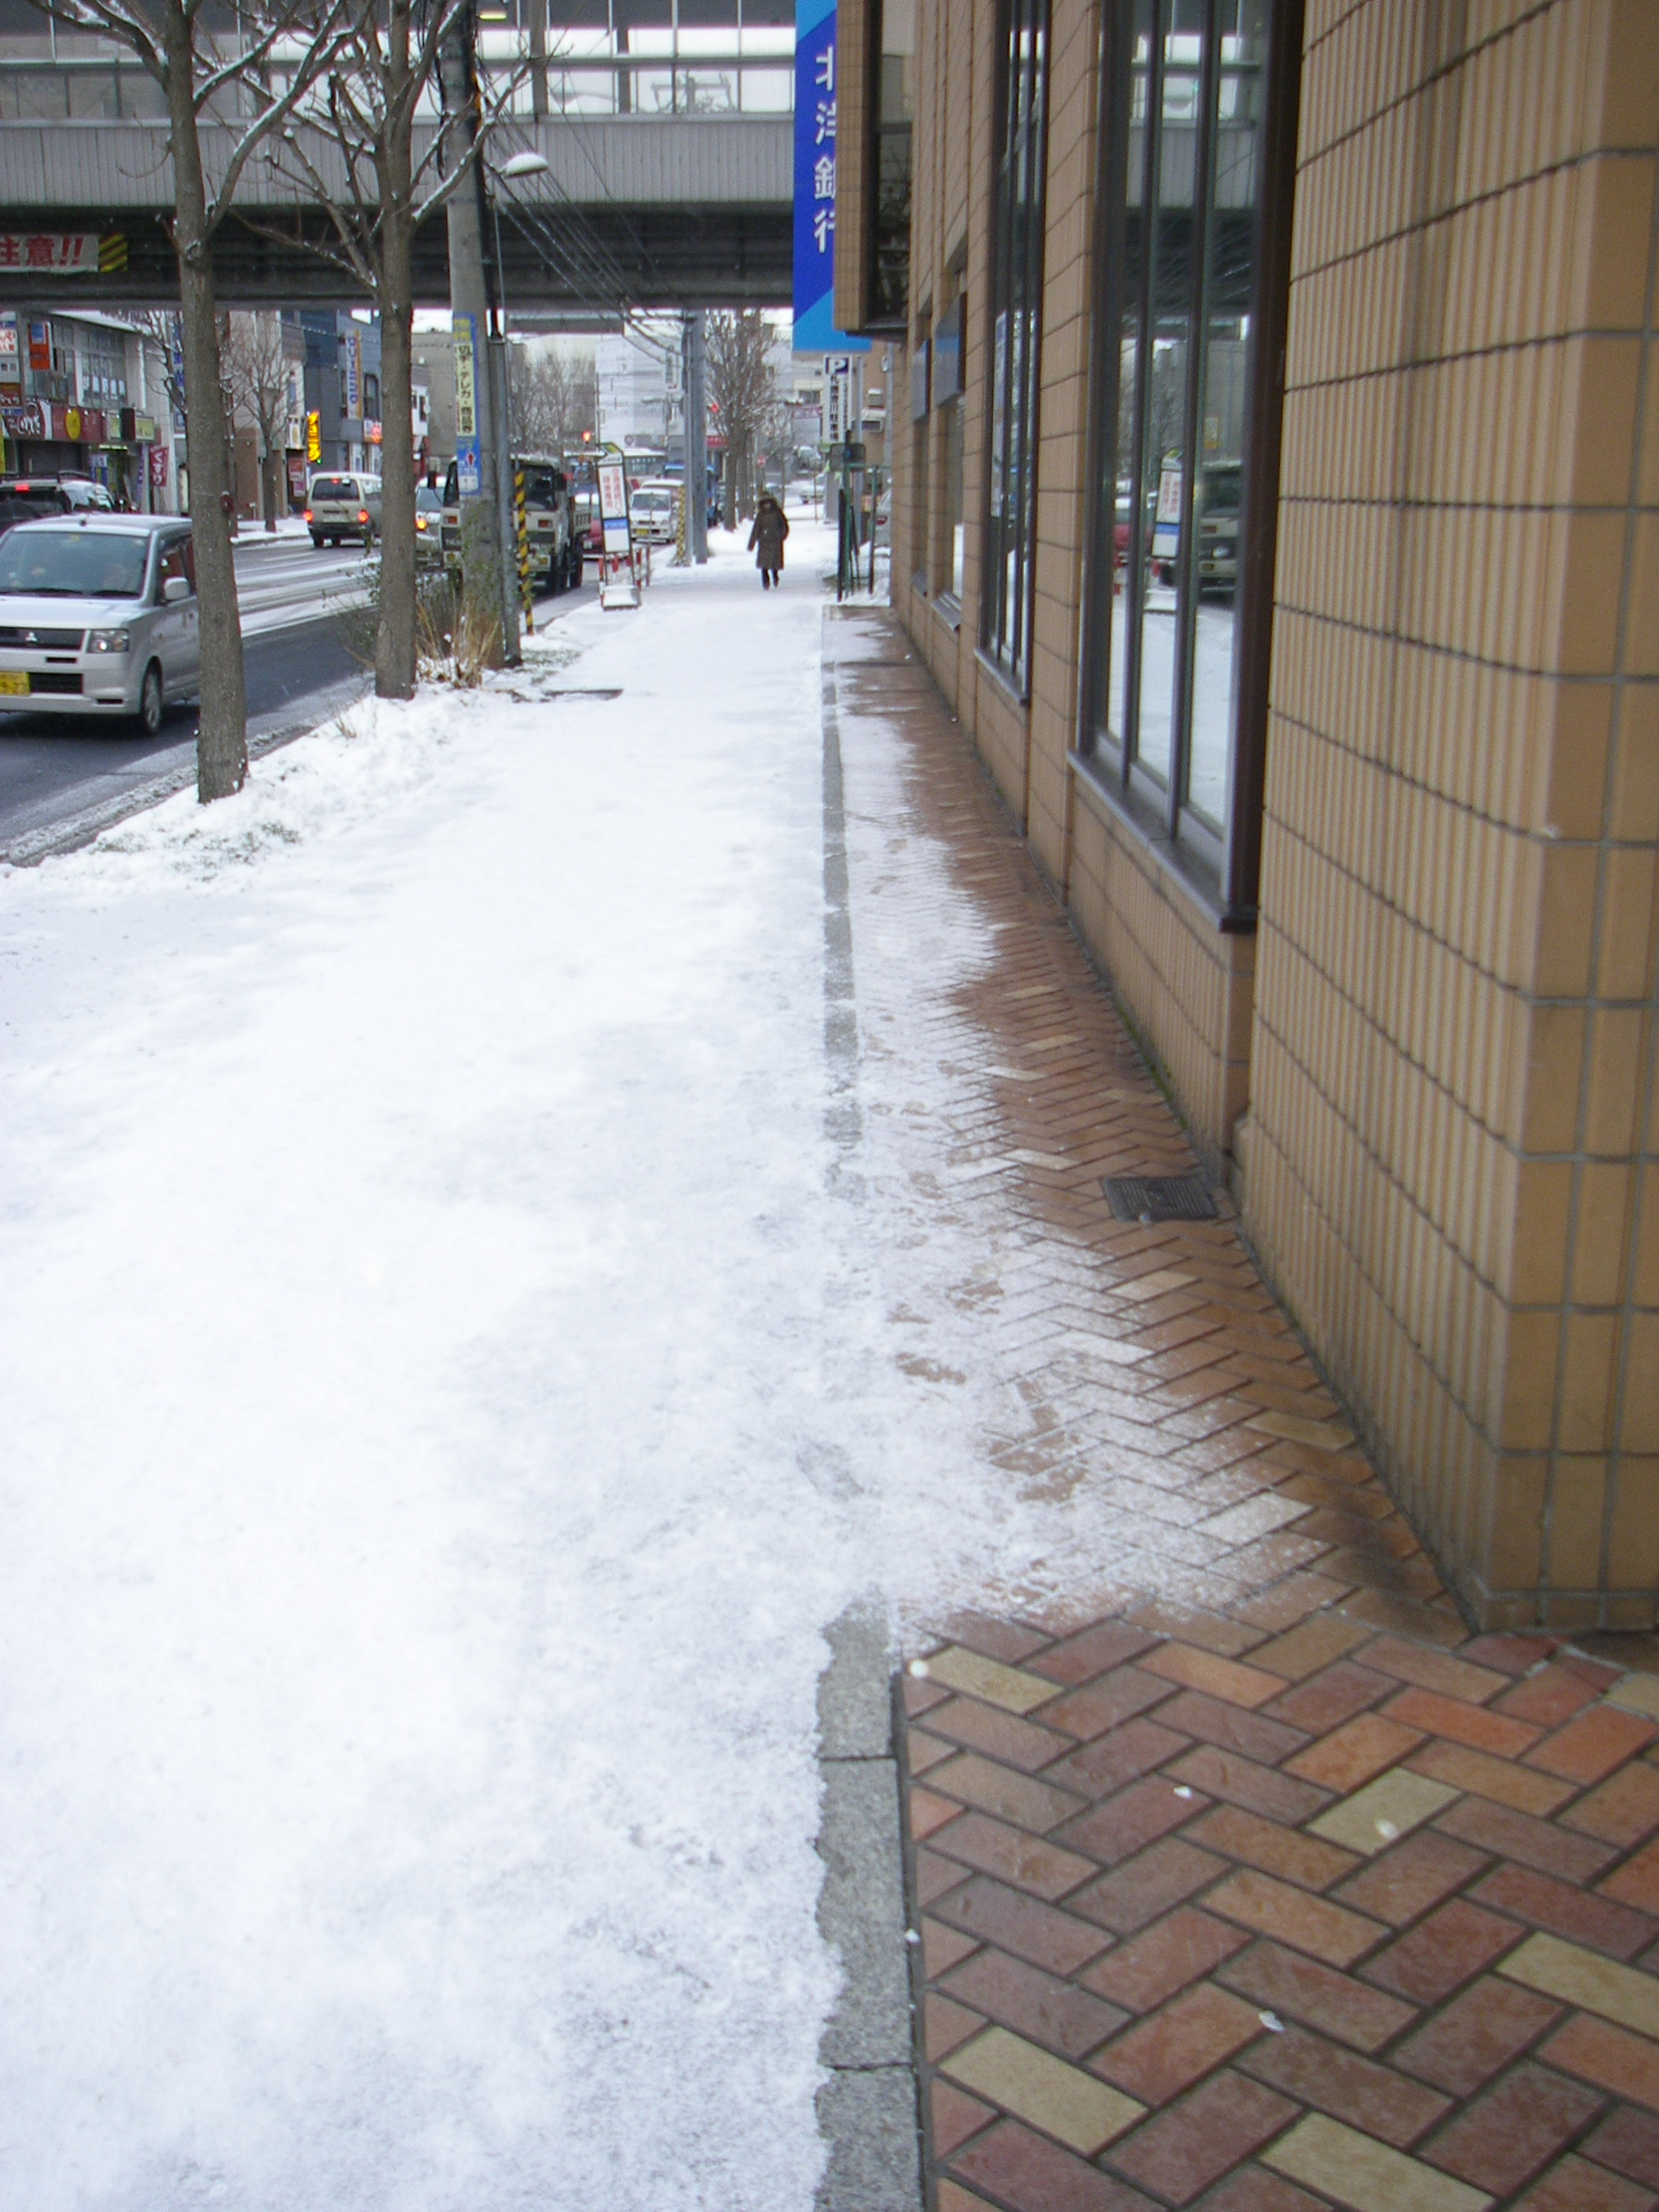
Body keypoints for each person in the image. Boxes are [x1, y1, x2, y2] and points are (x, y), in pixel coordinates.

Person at [748, 493, 789, 589]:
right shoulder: (760, 515)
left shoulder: (777, 513)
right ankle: (765, 582)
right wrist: (751, 544)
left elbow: (784, 525)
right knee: (764, 564)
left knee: (775, 563)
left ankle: (775, 577)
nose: (767, 505)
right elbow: (756, 530)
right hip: (764, 543)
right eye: (765, 503)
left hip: (775, 542)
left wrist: (781, 535)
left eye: (768, 503)